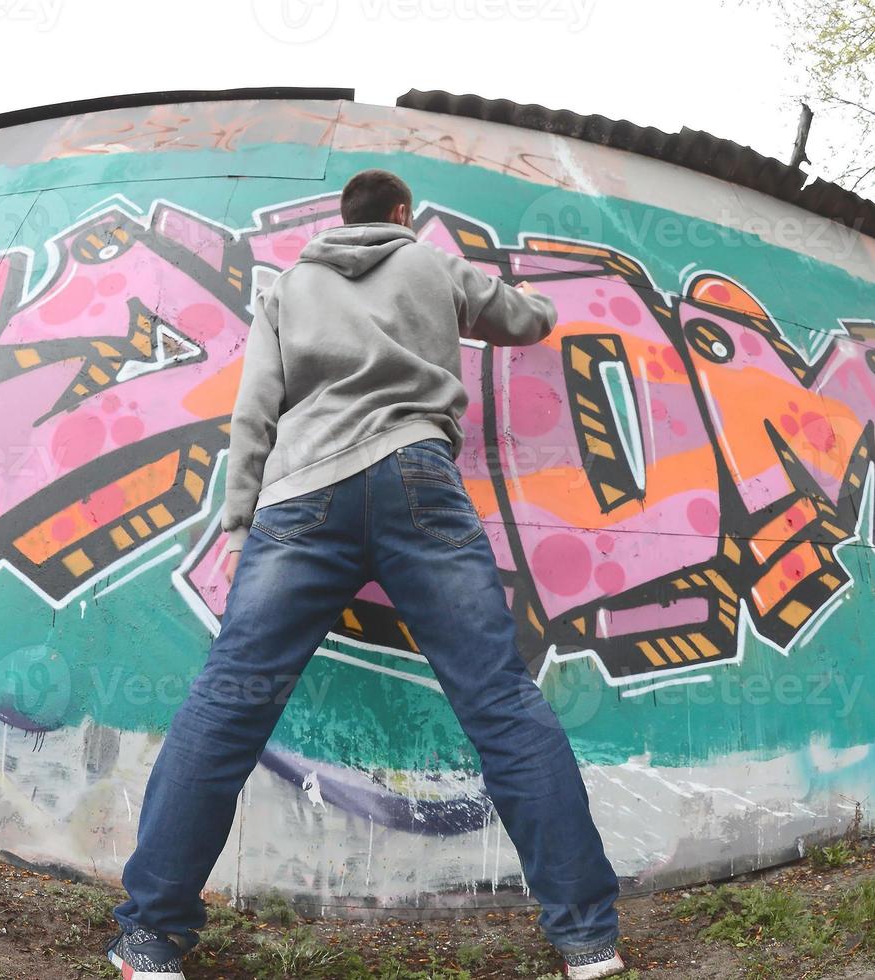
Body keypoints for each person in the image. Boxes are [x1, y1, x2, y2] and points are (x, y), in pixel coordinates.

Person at [105, 169, 624, 980]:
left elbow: (255, 411)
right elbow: (527, 320)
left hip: (301, 491)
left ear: (339, 217)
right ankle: (588, 939)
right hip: (419, 476)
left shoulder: (290, 285)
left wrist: (240, 524)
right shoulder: (429, 263)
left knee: (229, 700)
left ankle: (151, 938)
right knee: (497, 699)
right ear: (401, 214)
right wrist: (534, 296)